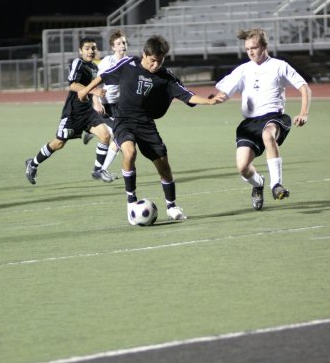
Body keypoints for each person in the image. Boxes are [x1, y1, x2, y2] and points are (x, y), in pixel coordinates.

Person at [78, 34, 225, 224]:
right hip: (123, 120)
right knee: (129, 153)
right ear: (144, 55)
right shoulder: (128, 64)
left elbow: (187, 95)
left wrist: (209, 101)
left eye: (160, 61)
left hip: (146, 124)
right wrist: (86, 90)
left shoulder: (165, 76)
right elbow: (103, 76)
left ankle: (172, 206)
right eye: (153, 60)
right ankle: (131, 201)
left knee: (164, 166)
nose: (156, 65)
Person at [214, 27, 311, 210]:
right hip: (250, 124)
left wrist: (303, 112)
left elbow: (304, 87)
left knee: (268, 135)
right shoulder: (243, 70)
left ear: (264, 46)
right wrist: (210, 100)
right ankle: (258, 184)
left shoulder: (279, 66)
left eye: (255, 47)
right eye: (248, 49)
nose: (251, 52)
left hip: (273, 117)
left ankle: (276, 185)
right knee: (243, 168)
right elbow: (224, 93)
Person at [24, 37, 115, 185]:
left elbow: (91, 92)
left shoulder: (94, 68)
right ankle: (32, 163)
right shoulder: (77, 63)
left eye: (93, 48)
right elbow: (73, 85)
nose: (91, 51)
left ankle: (97, 170)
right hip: (73, 113)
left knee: (105, 135)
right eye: (87, 48)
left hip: (88, 112)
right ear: (80, 50)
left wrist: (96, 102)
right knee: (59, 143)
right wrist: (94, 91)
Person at [81, 30, 129, 177]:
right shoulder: (108, 62)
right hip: (106, 105)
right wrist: (96, 102)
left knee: (121, 137)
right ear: (113, 47)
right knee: (121, 136)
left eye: (124, 43)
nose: (122, 46)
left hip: (120, 106)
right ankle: (101, 171)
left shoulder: (129, 62)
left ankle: (100, 169)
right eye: (119, 43)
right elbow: (94, 82)